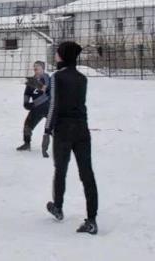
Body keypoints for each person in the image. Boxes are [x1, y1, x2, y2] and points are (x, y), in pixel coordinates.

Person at [42, 41, 99, 235]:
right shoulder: (83, 79)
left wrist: (47, 130)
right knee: (87, 174)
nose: (55, 55)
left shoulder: (57, 77)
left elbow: (53, 105)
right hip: (82, 129)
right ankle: (92, 220)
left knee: (60, 170)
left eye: (57, 53)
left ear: (63, 55)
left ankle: (58, 207)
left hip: (64, 130)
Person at [16, 61, 51, 154]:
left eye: (38, 67)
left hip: (48, 106)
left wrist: (35, 103)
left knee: (56, 127)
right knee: (27, 125)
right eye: (34, 67)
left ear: (43, 69)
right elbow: (27, 93)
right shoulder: (32, 80)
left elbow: (45, 92)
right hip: (37, 108)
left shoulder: (47, 78)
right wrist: (26, 103)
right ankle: (27, 144)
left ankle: (66, 144)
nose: (35, 69)